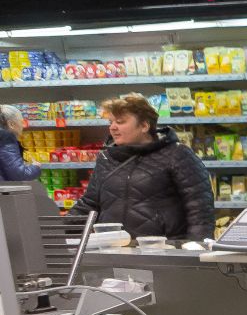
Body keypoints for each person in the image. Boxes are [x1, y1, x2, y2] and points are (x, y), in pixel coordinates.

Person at [74, 92, 213, 242]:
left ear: (144, 126)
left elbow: (199, 209)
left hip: (162, 251)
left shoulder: (177, 154)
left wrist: (195, 249)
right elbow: (89, 204)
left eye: (120, 122)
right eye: (111, 122)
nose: (113, 128)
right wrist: (55, 233)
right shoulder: (106, 158)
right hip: (112, 250)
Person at [0, 107, 41, 182]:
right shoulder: (6, 138)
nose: (22, 126)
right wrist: (35, 167)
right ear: (11, 124)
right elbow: (18, 175)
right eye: (21, 122)